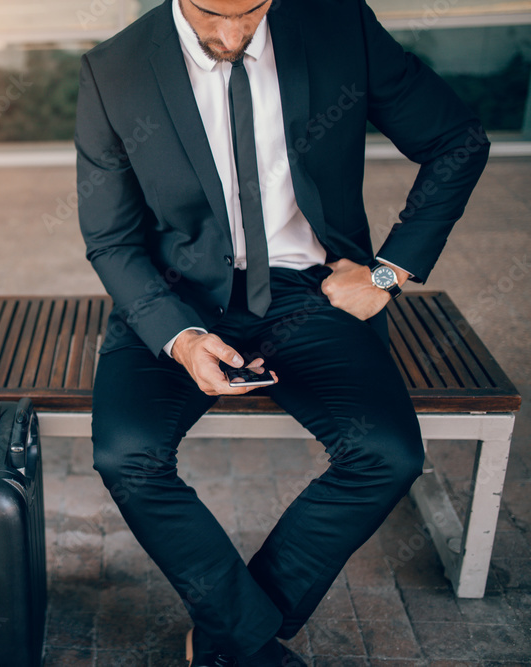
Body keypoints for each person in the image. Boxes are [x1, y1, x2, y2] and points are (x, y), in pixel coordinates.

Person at [74, 0, 489, 664]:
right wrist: (179, 337)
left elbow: (457, 139)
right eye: (214, 14)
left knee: (387, 454)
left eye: (254, 10)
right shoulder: (113, 70)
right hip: (176, 298)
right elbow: (112, 239)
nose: (236, 35)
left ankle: (226, 636)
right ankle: (248, 642)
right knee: (127, 455)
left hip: (310, 289)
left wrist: (388, 272)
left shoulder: (338, 27)